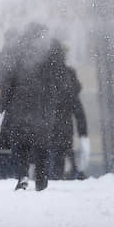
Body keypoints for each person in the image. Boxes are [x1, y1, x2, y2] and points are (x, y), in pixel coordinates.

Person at [0, 25, 68, 191]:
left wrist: (3, 105)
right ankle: (41, 180)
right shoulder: (51, 51)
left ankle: (23, 175)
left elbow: (8, 81)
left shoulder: (18, 52)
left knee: (21, 144)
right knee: (42, 145)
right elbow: (61, 79)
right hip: (43, 106)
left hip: (20, 105)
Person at [49, 49, 88, 180]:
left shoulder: (45, 76)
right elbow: (78, 110)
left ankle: (53, 178)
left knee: (50, 158)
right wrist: (83, 132)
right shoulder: (68, 77)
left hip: (48, 127)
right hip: (65, 127)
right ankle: (72, 173)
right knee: (63, 151)